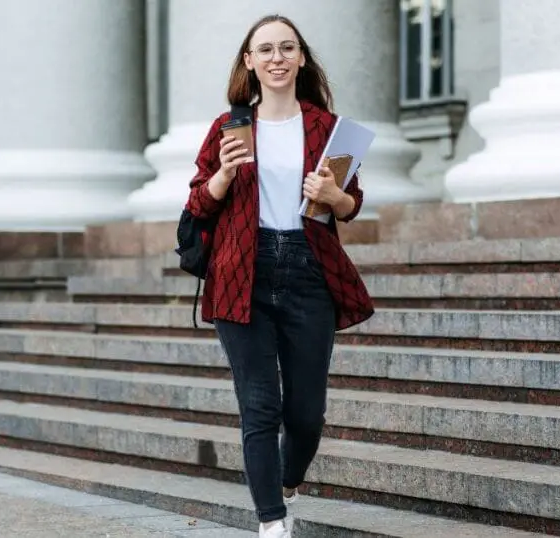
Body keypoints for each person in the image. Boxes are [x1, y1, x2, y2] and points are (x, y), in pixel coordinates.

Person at [183, 13, 375, 538]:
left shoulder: (330, 129)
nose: (277, 58)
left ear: (302, 58)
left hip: (309, 270)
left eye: (287, 48)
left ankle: (288, 479)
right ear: (249, 61)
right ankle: (272, 520)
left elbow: (350, 204)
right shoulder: (229, 128)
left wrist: (333, 196)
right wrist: (224, 174)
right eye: (265, 49)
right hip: (242, 271)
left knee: (307, 414)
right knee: (260, 406)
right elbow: (198, 202)